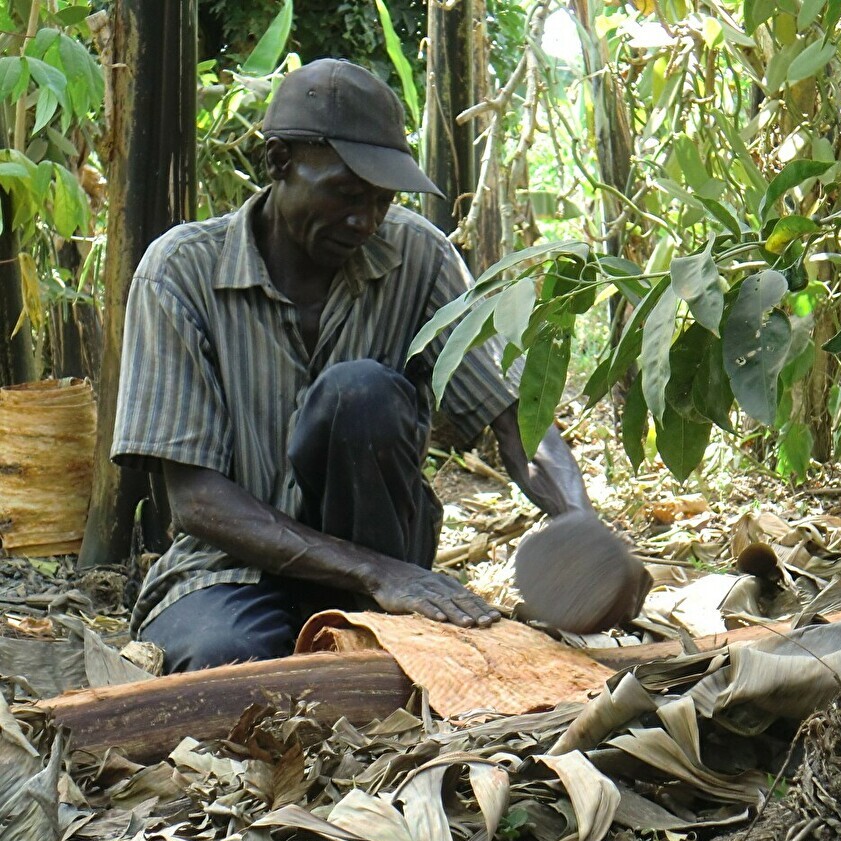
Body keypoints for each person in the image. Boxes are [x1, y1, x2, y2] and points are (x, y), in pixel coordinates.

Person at [112, 58, 594, 673]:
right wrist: (379, 571)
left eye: (382, 201)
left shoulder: (420, 258)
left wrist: (583, 533)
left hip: (384, 574)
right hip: (230, 573)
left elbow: (515, 420)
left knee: (359, 392)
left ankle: (377, 631)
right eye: (345, 193)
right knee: (229, 668)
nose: (364, 221)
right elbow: (197, 503)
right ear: (280, 161)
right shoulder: (179, 272)